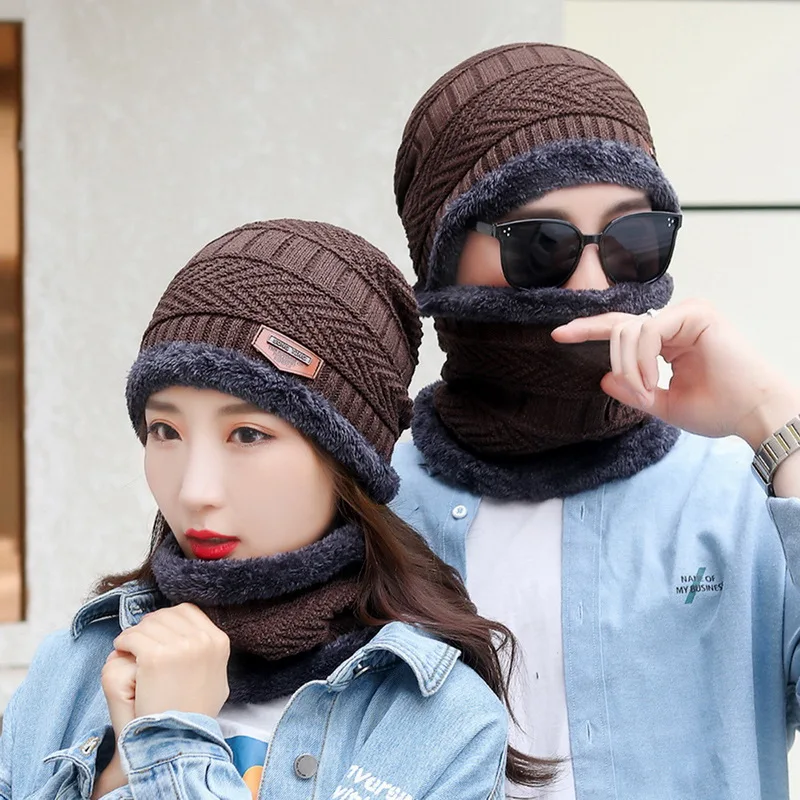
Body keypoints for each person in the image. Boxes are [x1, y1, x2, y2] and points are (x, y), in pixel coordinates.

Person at [0, 219, 558, 800]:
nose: (194, 491)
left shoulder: (436, 719)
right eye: (165, 430)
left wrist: (169, 743)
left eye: (247, 434)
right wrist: (113, 776)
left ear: (347, 459)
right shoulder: (75, 666)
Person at [390, 43, 800, 799]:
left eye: (631, 239)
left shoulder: (746, 492)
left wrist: (774, 418)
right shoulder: (377, 509)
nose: (592, 283)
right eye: (540, 244)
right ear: (443, 260)